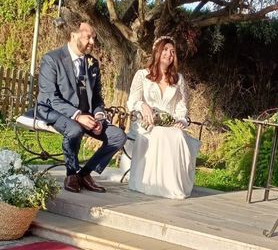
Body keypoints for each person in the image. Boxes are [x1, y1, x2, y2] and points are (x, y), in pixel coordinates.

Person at [37, 22, 127, 193]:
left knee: (118, 136)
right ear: (73, 35)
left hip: (87, 115)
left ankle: (84, 174)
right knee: (75, 129)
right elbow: (50, 97)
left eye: (94, 38)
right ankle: (71, 173)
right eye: (88, 37)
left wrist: (99, 116)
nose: (92, 42)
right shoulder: (52, 59)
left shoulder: (93, 64)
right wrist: (78, 115)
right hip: (54, 110)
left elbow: (98, 98)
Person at [125, 36, 200, 199]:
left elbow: (182, 109)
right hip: (147, 123)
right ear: (157, 52)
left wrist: (181, 121)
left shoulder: (178, 79)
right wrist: (143, 106)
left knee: (178, 135)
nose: (169, 54)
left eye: (172, 51)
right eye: (165, 50)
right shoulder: (142, 75)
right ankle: (155, 184)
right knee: (158, 133)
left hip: (170, 124)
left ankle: (173, 186)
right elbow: (132, 101)